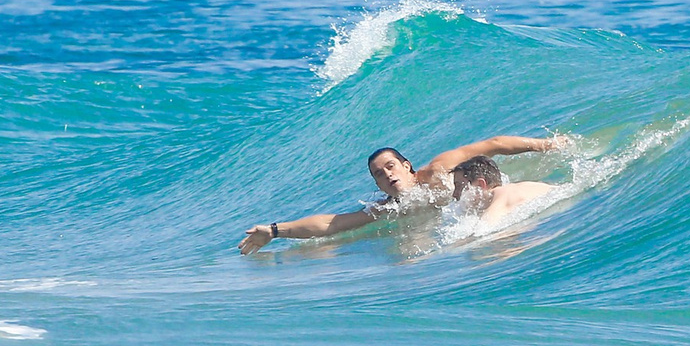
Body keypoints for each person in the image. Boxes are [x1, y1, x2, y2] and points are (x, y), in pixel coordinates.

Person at [238, 135, 565, 254]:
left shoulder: (439, 170)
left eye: (391, 166)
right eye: (379, 175)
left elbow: (492, 145)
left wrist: (545, 145)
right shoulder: (391, 209)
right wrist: (277, 231)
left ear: (407, 166)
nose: (387, 175)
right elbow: (333, 223)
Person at [451, 155, 552, 226]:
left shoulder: (502, 199)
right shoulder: (520, 187)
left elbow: (485, 230)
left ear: (481, 184)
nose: (455, 194)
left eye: (460, 186)